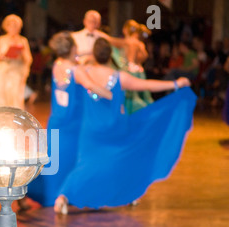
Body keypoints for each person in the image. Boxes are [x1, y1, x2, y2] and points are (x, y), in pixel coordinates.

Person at [29, 37, 196, 214]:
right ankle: (125, 192)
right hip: (113, 128)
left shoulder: (81, 69)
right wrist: (176, 83)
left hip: (89, 129)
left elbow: (84, 81)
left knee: (83, 164)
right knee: (120, 158)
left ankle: (62, 196)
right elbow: (147, 85)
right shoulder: (118, 77)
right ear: (111, 57)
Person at [25, 31, 112, 213]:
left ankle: (37, 192)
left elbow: (77, 63)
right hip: (74, 124)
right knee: (77, 159)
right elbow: (91, 86)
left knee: (53, 161)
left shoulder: (57, 65)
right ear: (73, 48)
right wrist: (111, 95)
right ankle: (67, 194)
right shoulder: (76, 70)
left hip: (57, 120)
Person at [103, 20, 154, 114]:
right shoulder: (140, 43)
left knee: (130, 99)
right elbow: (145, 56)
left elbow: (108, 40)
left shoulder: (127, 42)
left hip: (129, 72)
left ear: (125, 30)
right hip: (140, 72)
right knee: (142, 96)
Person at [0, 14, 32, 109]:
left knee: (15, 96)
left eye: (16, 26)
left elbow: (28, 58)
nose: (13, 28)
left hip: (16, 70)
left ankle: (15, 120)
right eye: (11, 25)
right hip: (3, 70)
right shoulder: (1, 39)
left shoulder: (23, 40)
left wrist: (21, 54)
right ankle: (2, 120)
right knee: (2, 95)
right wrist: (1, 57)